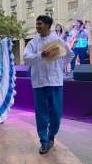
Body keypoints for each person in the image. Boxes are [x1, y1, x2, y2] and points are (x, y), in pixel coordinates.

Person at [23, 15, 74, 155]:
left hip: (55, 82)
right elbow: (26, 58)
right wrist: (41, 55)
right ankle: (44, 141)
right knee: (41, 114)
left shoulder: (57, 41)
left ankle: (52, 135)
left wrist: (60, 66)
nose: (37, 26)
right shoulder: (33, 43)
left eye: (40, 23)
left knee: (56, 113)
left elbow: (70, 55)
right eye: (37, 23)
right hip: (39, 83)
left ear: (47, 25)